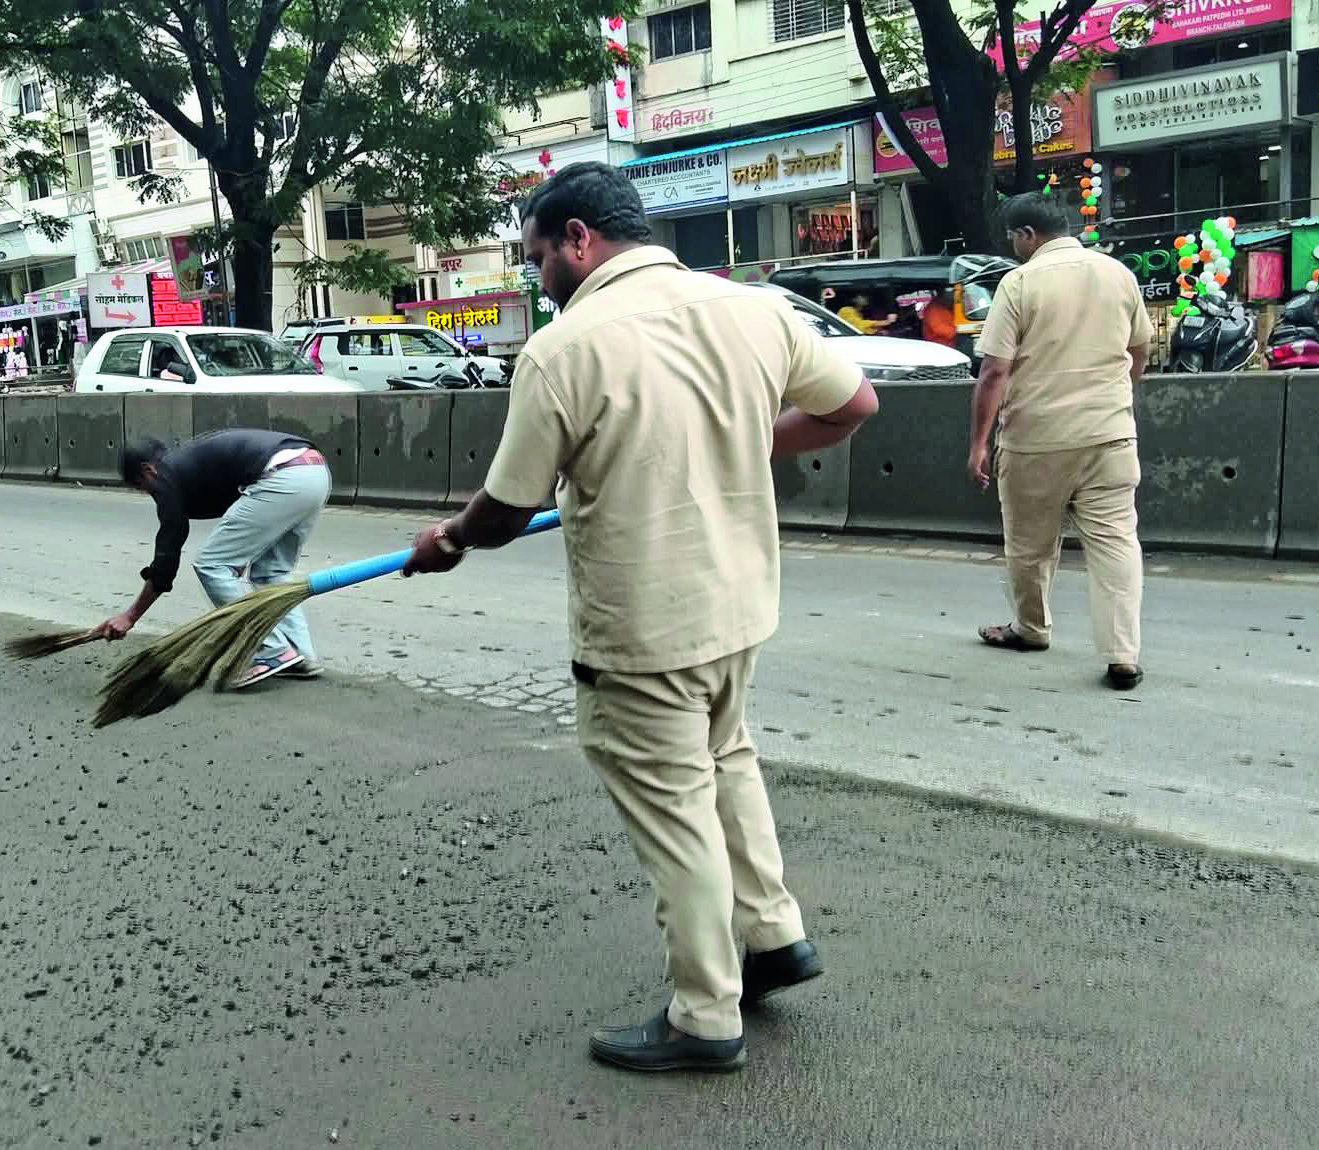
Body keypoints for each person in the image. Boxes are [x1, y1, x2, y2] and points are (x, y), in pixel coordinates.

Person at [401, 162, 879, 1073]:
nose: (539, 277)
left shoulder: (565, 350)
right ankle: (773, 936)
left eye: (538, 257)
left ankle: (705, 1015)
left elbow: (508, 506)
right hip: (740, 607)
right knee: (726, 759)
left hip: (644, 629)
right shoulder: (752, 310)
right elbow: (854, 404)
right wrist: (740, 438)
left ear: (578, 239)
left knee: (673, 808)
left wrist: (448, 539)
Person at [969, 192, 1151, 691]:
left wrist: (979, 443)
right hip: (1110, 434)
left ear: (1027, 235)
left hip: (1037, 438)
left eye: (1014, 236)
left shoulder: (1020, 282)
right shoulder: (1118, 274)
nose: (1014, 245)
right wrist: (1115, 397)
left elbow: (995, 371)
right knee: (1115, 542)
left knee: (1030, 544)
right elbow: (1139, 350)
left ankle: (1032, 628)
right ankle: (1123, 654)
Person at [99, 429, 331, 687]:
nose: (148, 493)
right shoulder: (190, 464)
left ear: (148, 470)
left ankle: (272, 650)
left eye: (141, 487)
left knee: (212, 565)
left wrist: (130, 616)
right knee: (271, 573)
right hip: (314, 470)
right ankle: (300, 655)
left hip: (281, 477)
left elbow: (167, 558)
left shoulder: (166, 475)